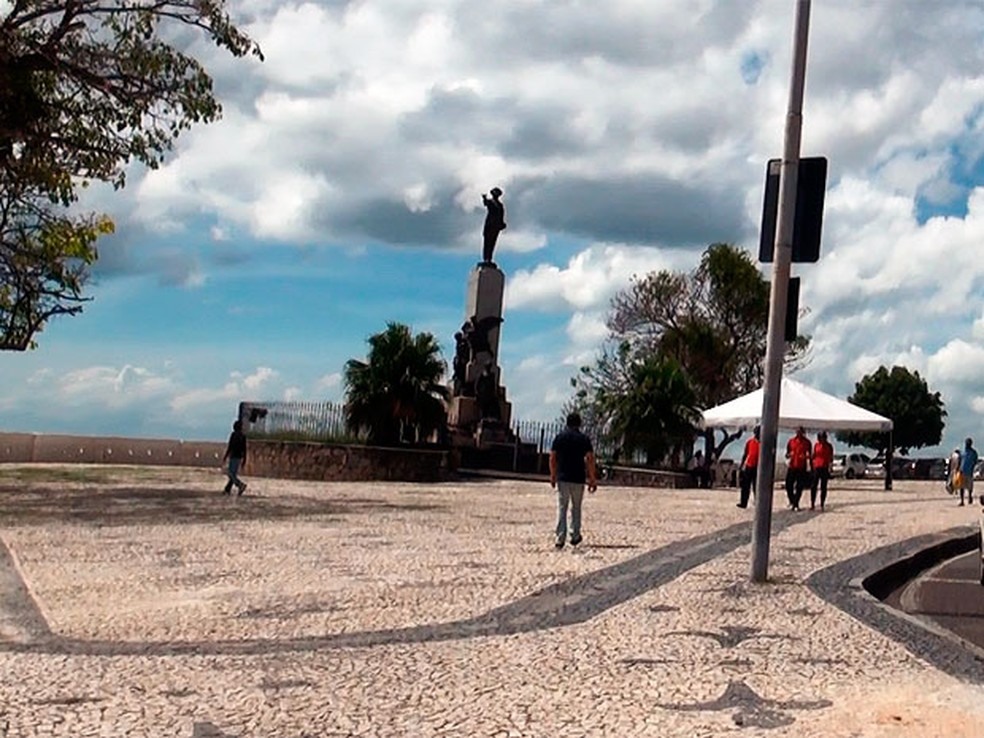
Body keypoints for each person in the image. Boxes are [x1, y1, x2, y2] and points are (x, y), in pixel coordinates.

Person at [549, 412, 598, 549]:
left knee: (562, 507)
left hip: (563, 477)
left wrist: (553, 475)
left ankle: (560, 537)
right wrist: (592, 478)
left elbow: (552, 457)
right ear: (579, 423)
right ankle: (575, 535)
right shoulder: (584, 439)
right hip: (578, 478)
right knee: (576, 508)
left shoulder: (560, 438)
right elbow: (590, 459)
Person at [785, 426, 812, 511]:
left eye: (800, 432)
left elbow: (810, 455)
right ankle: (792, 500)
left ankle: (796, 504)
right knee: (788, 484)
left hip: (801, 467)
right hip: (792, 466)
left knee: (799, 487)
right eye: (797, 432)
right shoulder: (791, 441)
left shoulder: (807, 442)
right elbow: (787, 454)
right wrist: (789, 455)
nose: (798, 433)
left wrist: (806, 457)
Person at [222, 420, 248, 496]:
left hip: (233, 457)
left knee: (230, 474)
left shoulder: (234, 435)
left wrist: (226, 456)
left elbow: (230, 446)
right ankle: (227, 489)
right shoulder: (243, 436)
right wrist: (244, 460)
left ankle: (240, 485)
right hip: (238, 457)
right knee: (232, 474)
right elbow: (245, 449)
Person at [481, 187, 506, 264]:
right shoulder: (490, 202)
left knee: (492, 243)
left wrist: (502, 223)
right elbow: (486, 204)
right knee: (487, 242)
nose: (496, 195)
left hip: (496, 227)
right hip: (489, 225)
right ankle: (486, 258)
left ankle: (490, 258)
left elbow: (501, 215)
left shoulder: (500, 205)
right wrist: (484, 198)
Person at [737, 426, 760, 508]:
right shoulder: (750, 442)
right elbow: (745, 454)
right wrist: (742, 464)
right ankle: (743, 502)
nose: (757, 434)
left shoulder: (763, 444)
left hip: (758, 468)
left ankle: (758, 503)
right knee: (745, 485)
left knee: (757, 487)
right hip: (749, 466)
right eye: (756, 432)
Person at [810, 431, 834, 511]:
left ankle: (822, 504)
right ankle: (812, 503)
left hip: (824, 467)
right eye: (820, 438)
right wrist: (812, 464)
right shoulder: (816, 445)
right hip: (817, 467)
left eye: (822, 437)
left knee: (823, 487)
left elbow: (831, 458)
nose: (821, 439)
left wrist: (830, 467)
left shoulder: (829, 446)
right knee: (814, 486)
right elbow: (814, 456)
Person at [958, 437, 978, 506]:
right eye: (966, 443)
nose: (967, 444)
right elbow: (960, 460)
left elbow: (975, 461)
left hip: (969, 472)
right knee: (961, 487)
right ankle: (962, 500)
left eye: (968, 443)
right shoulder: (963, 452)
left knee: (969, 487)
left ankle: (969, 497)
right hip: (962, 471)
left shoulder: (973, 452)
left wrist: (972, 467)